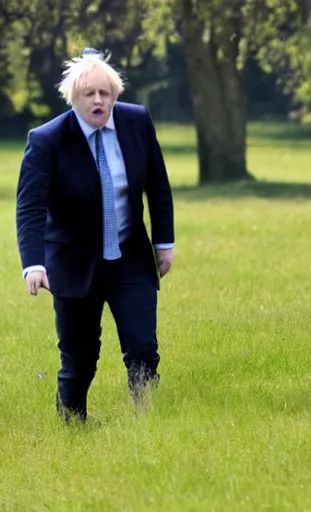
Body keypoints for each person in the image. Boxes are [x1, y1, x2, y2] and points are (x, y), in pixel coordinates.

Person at [15, 48, 175, 423]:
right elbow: (30, 207)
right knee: (79, 357)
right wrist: (33, 264)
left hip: (129, 257)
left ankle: (147, 420)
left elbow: (158, 185)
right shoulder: (47, 140)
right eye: (90, 94)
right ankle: (72, 423)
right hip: (73, 264)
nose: (99, 101)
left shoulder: (136, 123)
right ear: (74, 98)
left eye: (106, 93)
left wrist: (163, 243)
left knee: (142, 346)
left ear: (115, 95)